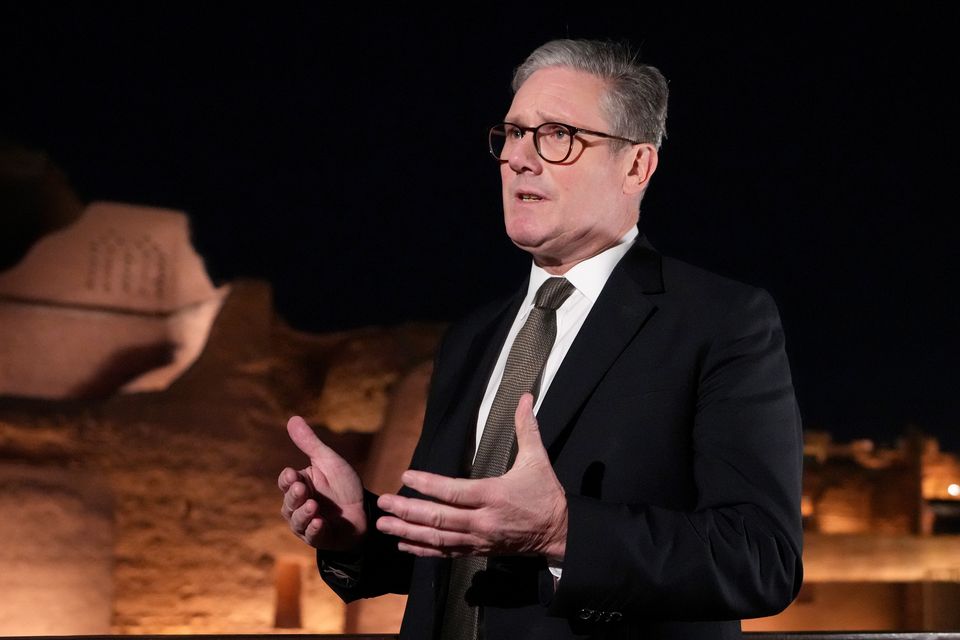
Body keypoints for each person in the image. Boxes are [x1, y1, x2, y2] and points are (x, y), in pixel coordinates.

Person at [279, 38, 803, 639]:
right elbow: (456, 553)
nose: (519, 159)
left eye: (557, 136)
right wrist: (359, 533)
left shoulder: (721, 321)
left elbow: (762, 561)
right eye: (512, 134)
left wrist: (563, 532)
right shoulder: (472, 339)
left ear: (637, 165)